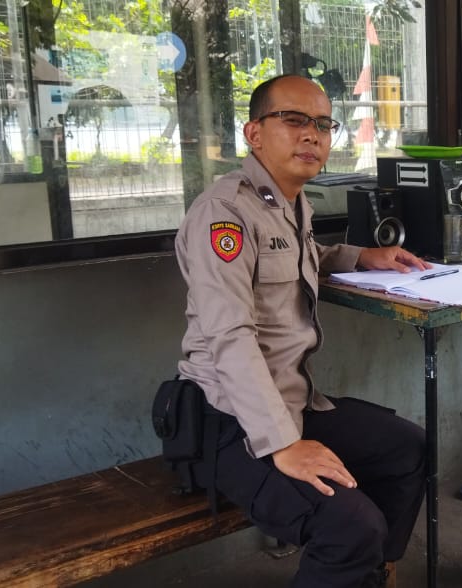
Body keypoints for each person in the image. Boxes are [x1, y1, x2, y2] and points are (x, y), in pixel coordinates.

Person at [174, 75, 429, 588]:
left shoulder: (288, 203)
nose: (312, 134)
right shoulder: (224, 214)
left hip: (293, 402)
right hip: (229, 421)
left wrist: (362, 256)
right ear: (254, 133)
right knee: (351, 526)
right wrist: (283, 443)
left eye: (323, 125)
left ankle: (374, 575)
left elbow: (302, 256)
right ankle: (355, 564)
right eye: (293, 120)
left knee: (408, 448)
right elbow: (230, 338)